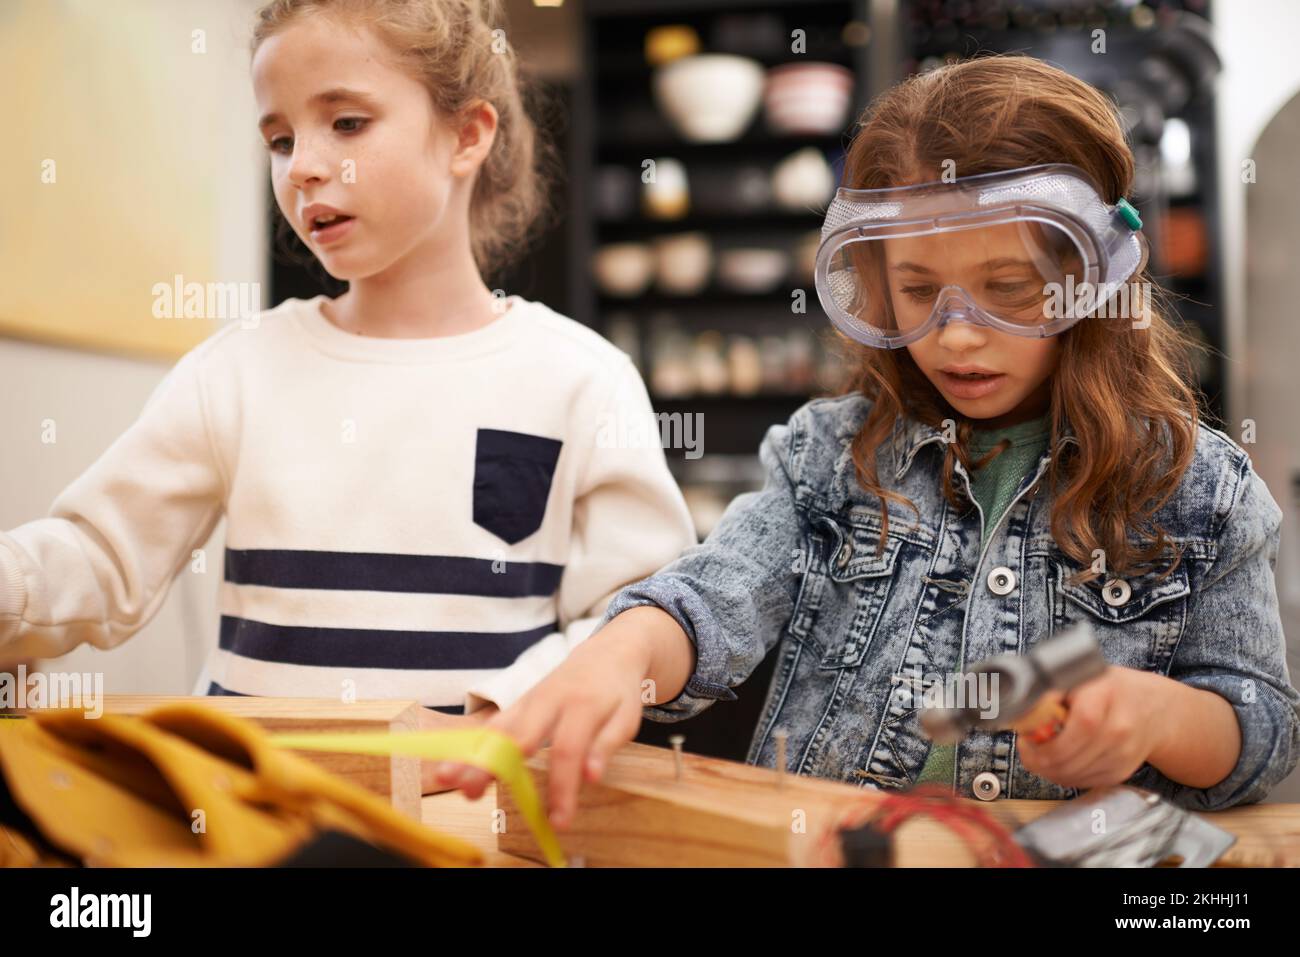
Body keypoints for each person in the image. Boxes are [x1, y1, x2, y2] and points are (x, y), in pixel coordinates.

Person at [436, 55, 1300, 826]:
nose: (956, 335)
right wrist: (622, 656)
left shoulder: (1196, 492)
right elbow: (716, 594)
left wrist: (1154, 714)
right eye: (918, 290)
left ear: (1094, 275)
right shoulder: (829, 460)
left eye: (1008, 288)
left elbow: (1259, 728)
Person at [0, 0, 696, 794]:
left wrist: (501, 711)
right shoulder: (236, 369)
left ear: (468, 135)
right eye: (280, 138)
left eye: (348, 124)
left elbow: (640, 619)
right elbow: (100, 557)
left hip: (462, 820)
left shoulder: (582, 379)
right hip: (250, 810)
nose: (300, 166)